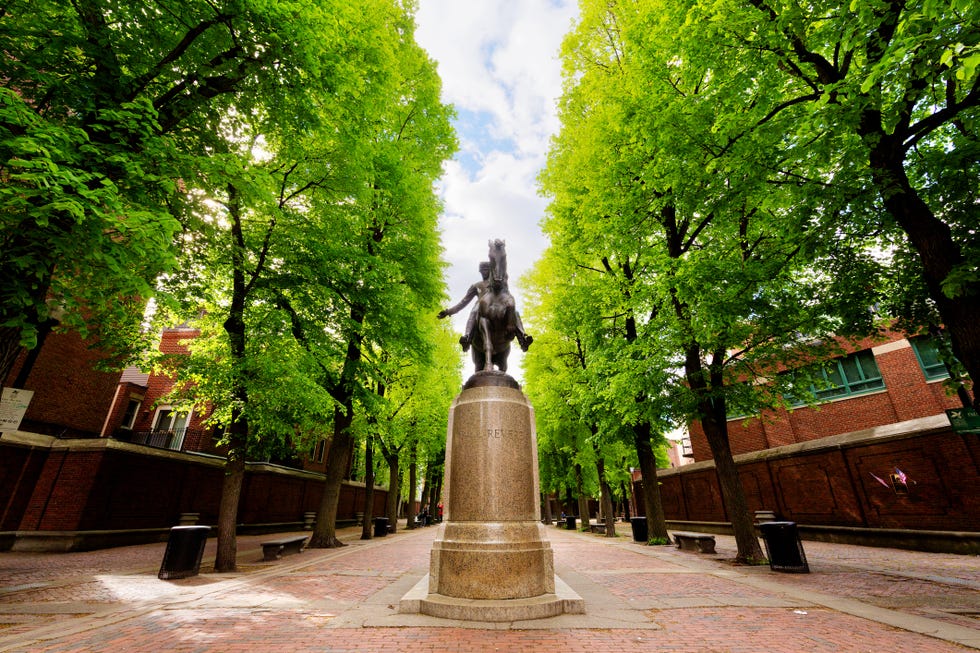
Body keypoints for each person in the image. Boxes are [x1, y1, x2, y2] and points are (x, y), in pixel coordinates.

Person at [437, 261, 490, 352]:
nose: (483, 273)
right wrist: (448, 312)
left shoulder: (499, 284)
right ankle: (467, 337)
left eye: (486, 270)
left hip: (497, 305)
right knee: (474, 311)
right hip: (480, 306)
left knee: (512, 312)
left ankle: (521, 336)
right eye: (481, 271)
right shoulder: (476, 286)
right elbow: (463, 302)